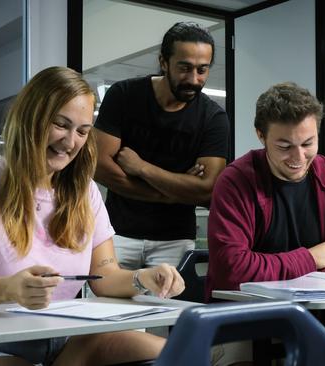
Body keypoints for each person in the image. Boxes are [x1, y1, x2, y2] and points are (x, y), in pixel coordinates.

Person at [0, 66, 184, 366]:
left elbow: (105, 277)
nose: (71, 142)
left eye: (83, 131)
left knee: (177, 354)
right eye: (61, 124)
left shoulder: (84, 193)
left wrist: (143, 279)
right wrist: (8, 289)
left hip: (63, 339)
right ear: (29, 118)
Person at [206, 82, 325, 298]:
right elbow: (231, 270)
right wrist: (309, 259)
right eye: (284, 147)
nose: (298, 157)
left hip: (321, 318)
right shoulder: (236, 182)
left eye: (308, 144)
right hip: (245, 318)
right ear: (261, 135)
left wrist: (278, 274)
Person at [93, 21, 230, 272]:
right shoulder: (123, 95)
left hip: (175, 240)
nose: (193, 79)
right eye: (185, 68)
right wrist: (170, 193)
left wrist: (141, 168)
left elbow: (205, 190)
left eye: (203, 70)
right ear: (164, 62)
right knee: (104, 308)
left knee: (170, 310)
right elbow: (99, 167)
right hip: (117, 233)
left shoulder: (213, 118)